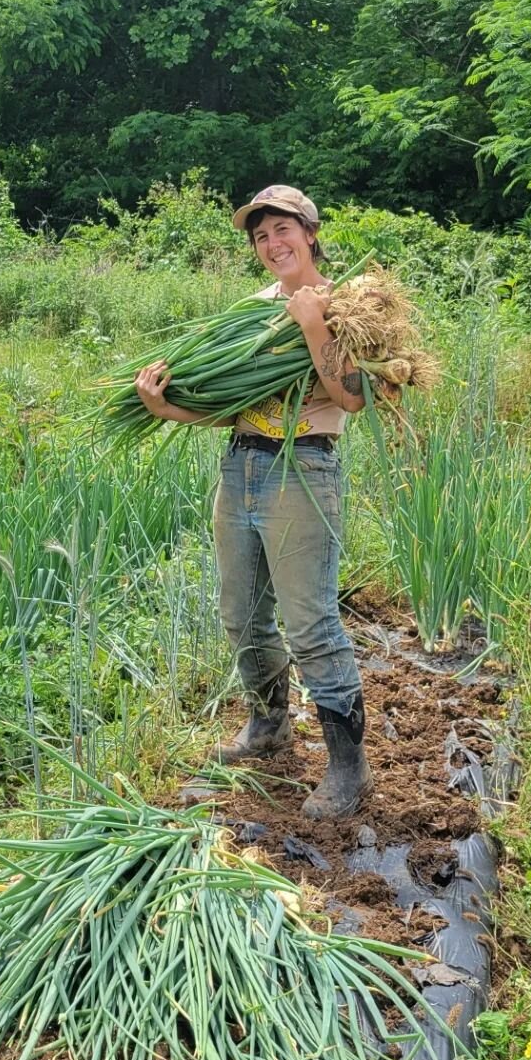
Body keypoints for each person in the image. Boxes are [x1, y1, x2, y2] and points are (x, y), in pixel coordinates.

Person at [134, 184, 372, 819]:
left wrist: (313, 322)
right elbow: (225, 406)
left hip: (303, 467)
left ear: (311, 232)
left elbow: (350, 397)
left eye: (283, 230)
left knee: (311, 624)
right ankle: (268, 723)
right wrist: (164, 407)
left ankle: (349, 769)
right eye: (261, 236)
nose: (272, 244)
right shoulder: (253, 308)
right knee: (241, 612)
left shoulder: (343, 304)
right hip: (241, 463)